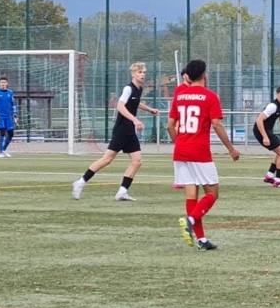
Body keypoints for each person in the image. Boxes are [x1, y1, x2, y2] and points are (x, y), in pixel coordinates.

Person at [169, 59, 240, 251]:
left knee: (192, 194)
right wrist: (231, 148)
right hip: (199, 151)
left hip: (180, 151)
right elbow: (216, 124)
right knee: (212, 193)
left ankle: (201, 239)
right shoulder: (210, 97)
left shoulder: (179, 95)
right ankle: (191, 220)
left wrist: (180, 143)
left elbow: (170, 125)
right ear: (204, 76)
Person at [71, 62, 159, 201]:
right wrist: (135, 120)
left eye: (144, 72)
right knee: (107, 160)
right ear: (133, 74)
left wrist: (150, 109)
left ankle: (122, 192)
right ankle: (80, 182)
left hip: (129, 131)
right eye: (139, 72)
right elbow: (120, 106)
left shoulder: (139, 89)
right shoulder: (128, 89)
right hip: (121, 130)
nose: (142, 75)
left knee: (137, 161)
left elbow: (136, 102)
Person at [0, 77, 17, 158]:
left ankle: (4, 149)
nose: (3, 84)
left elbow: (13, 104)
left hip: (8, 116)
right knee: (2, 133)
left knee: (11, 134)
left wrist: (15, 114)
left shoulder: (10, 92)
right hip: (0, 116)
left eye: (4, 82)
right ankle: (0, 152)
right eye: (1, 82)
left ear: (7, 83)